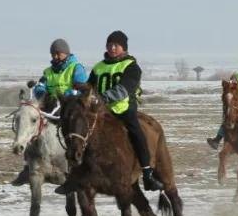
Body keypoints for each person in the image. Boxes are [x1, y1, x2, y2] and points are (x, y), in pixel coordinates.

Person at [56, 30, 163, 194]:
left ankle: (147, 173)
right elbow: (89, 86)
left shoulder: (132, 67)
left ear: (124, 48)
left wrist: (102, 98)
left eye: (116, 45)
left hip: (123, 110)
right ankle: (74, 177)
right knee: (77, 134)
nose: (112, 48)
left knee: (137, 133)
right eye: (109, 45)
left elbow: (123, 89)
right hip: (100, 112)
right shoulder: (99, 67)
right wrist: (77, 94)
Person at [12, 38, 89, 186]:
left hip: (70, 105)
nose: (55, 56)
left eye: (58, 53)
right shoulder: (48, 71)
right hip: (51, 104)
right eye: (53, 54)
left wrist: (66, 95)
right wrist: (41, 91)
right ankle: (28, 167)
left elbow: (81, 87)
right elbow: (41, 87)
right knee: (31, 124)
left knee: (73, 132)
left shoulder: (76, 68)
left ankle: (77, 166)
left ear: (66, 53)